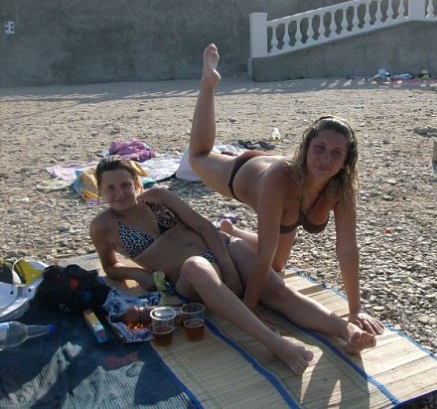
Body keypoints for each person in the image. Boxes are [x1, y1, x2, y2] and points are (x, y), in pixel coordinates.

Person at [89, 156, 377, 375]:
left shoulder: (158, 197)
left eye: (125, 185)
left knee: (277, 290)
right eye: (110, 188)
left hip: (219, 250)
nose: (120, 193)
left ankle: (346, 330)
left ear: (136, 183)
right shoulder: (102, 227)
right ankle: (276, 344)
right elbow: (110, 266)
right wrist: (140, 274)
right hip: (188, 278)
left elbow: (204, 227)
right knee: (196, 266)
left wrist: (227, 263)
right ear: (100, 192)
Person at [188, 44, 384, 335]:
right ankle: (208, 84)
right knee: (198, 156)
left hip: (286, 201)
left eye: (336, 154)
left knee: (278, 267)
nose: (326, 159)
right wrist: (250, 311)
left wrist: (355, 309)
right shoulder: (280, 177)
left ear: (346, 161)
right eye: (319, 148)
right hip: (243, 175)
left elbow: (347, 248)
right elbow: (264, 253)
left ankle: (232, 231)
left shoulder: (341, 187)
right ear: (306, 148)